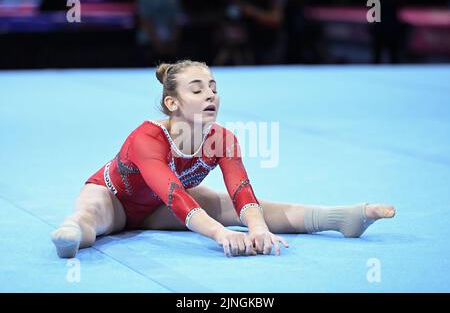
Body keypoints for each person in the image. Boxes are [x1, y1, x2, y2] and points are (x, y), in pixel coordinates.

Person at [51, 59, 396, 258]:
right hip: (116, 199)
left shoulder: (222, 140)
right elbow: (174, 193)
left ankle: (338, 219)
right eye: (197, 89)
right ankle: (69, 235)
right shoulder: (147, 138)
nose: (210, 94)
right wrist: (220, 235)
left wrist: (257, 228)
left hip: (159, 210)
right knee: (90, 212)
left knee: (235, 205)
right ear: (172, 103)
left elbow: (242, 192)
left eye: (213, 87)